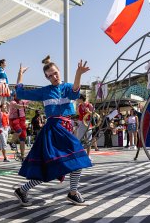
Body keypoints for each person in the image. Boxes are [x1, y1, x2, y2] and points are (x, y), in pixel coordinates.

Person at [13, 56, 92, 207]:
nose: (54, 77)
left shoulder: (67, 87)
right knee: (73, 160)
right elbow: (21, 93)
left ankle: (22, 190)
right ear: (46, 77)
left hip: (65, 129)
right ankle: (73, 193)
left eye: (55, 73)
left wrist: (78, 74)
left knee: (60, 165)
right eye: (50, 76)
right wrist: (20, 74)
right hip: (53, 129)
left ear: (59, 71)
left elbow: (75, 92)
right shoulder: (44, 91)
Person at [8, 94, 29, 161]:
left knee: (23, 138)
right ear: (14, 96)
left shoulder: (23, 101)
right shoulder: (12, 102)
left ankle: (22, 156)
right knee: (18, 130)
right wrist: (23, 106)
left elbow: (31, 99)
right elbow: (17, 106)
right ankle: (11, 142)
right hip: (14, 119)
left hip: (22, 119)